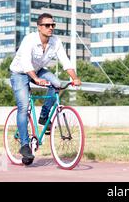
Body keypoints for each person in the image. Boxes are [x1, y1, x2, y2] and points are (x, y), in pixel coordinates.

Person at [9, 13, 81, 164]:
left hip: (39, 69)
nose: (51, 28)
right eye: (47, 25)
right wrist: (35, 79)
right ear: (39, 27)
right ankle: (24, 145)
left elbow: (65, 60)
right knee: (24, 106)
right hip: (20, 72)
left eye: (53, 25)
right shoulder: (29, 39)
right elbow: (25, 62)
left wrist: (74, 77)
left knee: (57, 83)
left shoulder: (55, 41)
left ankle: (44, 116)